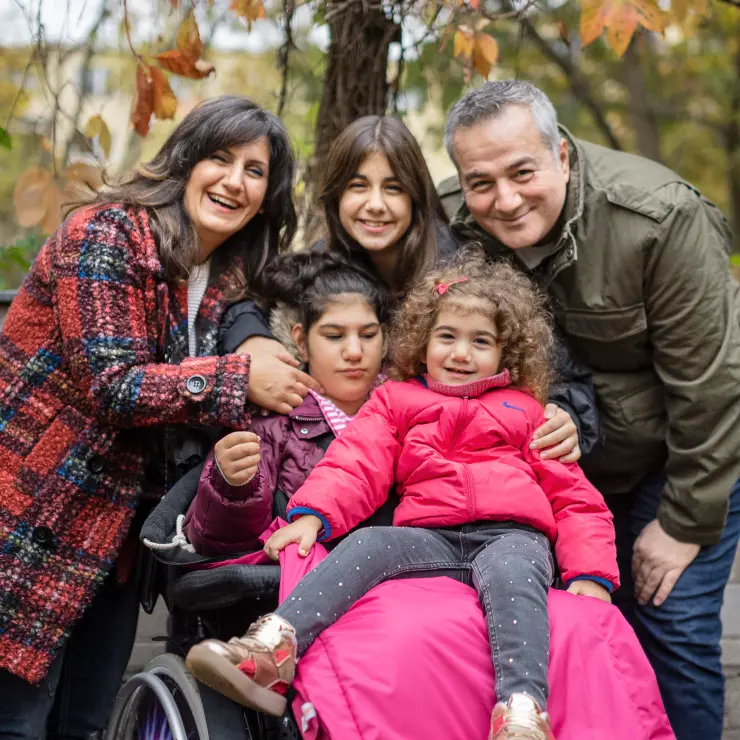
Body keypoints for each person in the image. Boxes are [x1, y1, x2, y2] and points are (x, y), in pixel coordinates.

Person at [185, 249, 620, 740]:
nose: (461, 353)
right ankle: (271, 649)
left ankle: (521, 711)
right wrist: (311, 516)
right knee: (369, 545)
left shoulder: (528, 412)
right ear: (421, 341)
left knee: (513, 577)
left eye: (481, 341)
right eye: (447, 337)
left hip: (511, 535)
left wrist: (591, 574)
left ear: (506, 353)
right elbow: (356, 462)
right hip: (431, 535)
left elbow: (576, 499)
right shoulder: (397, 400)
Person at [0, 96, 320, 739]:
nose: (234, 180)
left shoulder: (225, 267)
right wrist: (240, 377)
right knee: (17, 724)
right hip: (38, 516)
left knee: (85, 723)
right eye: (219, 158)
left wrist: (255, 339)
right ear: (183, 160)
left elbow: (249, 314)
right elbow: (112, 385)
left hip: (119, 537)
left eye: (254, 171)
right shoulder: (106, 232)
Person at [438, 80, 740, 740]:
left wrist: (683, 524)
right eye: (481, 182)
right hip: (558, 470)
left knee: (673, 624)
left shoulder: (659, 219)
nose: (506, 200)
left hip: (680, 458)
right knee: (580, 635)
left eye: (523, 171)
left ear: (563, 154)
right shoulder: (454, 223)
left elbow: (712, 386)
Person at [223, 114, 596, 464]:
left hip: (456, 465)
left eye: (393, 188)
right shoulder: (326, 262)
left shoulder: (464, 272)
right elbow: (248, 305)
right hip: (350, 459)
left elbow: (558, 368)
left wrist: (566, 415)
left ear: (415, 196)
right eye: (358, 186)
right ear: (336, 196)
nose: (375, 205)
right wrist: (252, 343)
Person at [182, 250, 391, 556]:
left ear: (386, 340)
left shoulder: (411, 410)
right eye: (334, 336)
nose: (354, 351)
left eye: (368, 335)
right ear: (302, 343)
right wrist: (231, 485)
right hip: (298, 586)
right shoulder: (272, 423)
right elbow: (214, 541)